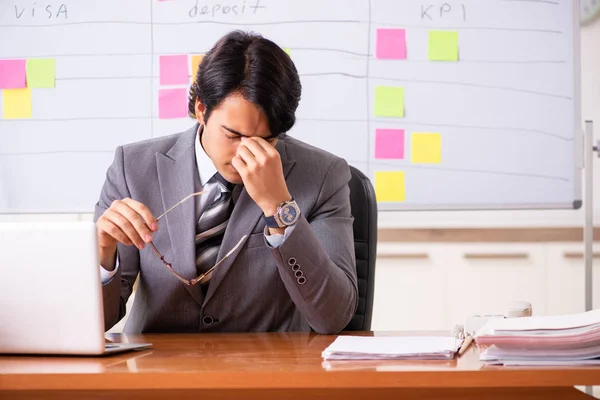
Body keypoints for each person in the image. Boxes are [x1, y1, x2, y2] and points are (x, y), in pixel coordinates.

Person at [94, 30, 358, 334]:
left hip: (267, 371)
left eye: (267, 140)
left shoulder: (323, 175)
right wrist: (103, 251)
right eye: (233, 135)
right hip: (158, 370)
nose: (246, 152)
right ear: (201, 110)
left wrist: (280, 208)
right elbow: (96, 322)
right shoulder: (133, 167)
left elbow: (334, 318)